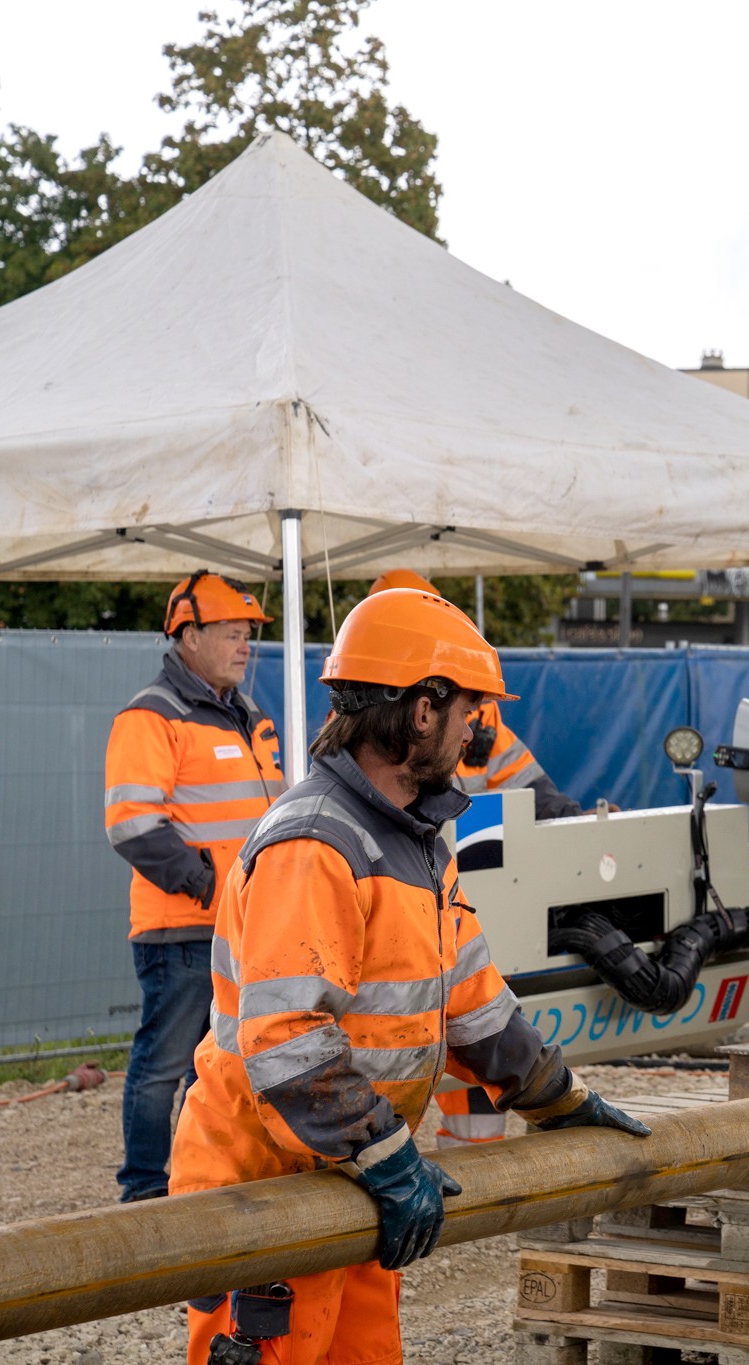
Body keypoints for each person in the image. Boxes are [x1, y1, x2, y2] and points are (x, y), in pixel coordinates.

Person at [169, 586, 648, 1365]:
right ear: (421, 709)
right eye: (468, 708)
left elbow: (474, 1006)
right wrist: (389, 1157)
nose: (476, 729)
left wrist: (563, 1100)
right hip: (269, 1188)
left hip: (355, 1176)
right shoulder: (316, 842)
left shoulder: (417, 843)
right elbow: (289, 1042)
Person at [367, 569, 583, 1147]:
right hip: (430, 903)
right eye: (462, 716)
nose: (469, 732)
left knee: (460, 1014)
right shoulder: (342, 819)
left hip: (463, 907)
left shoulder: (476, 717)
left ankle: (472, 1150)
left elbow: (539, 792)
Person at [104, 571, 284, 1203]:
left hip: (241, 927)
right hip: (182, 928)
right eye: (233, 635)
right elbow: (131, 825)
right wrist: (210, 887)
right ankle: (145, 1194)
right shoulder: (151, 716)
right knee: (162, 1068)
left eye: (249, 636)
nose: (245, 647)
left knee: (217, 1067)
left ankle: (195, 1185)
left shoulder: (248, 714)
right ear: (189, 635)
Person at [368, 569, 583, 820]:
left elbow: (526, 783)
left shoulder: (479, 711)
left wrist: (577, 820)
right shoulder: (363, 716)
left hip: (467, 851)